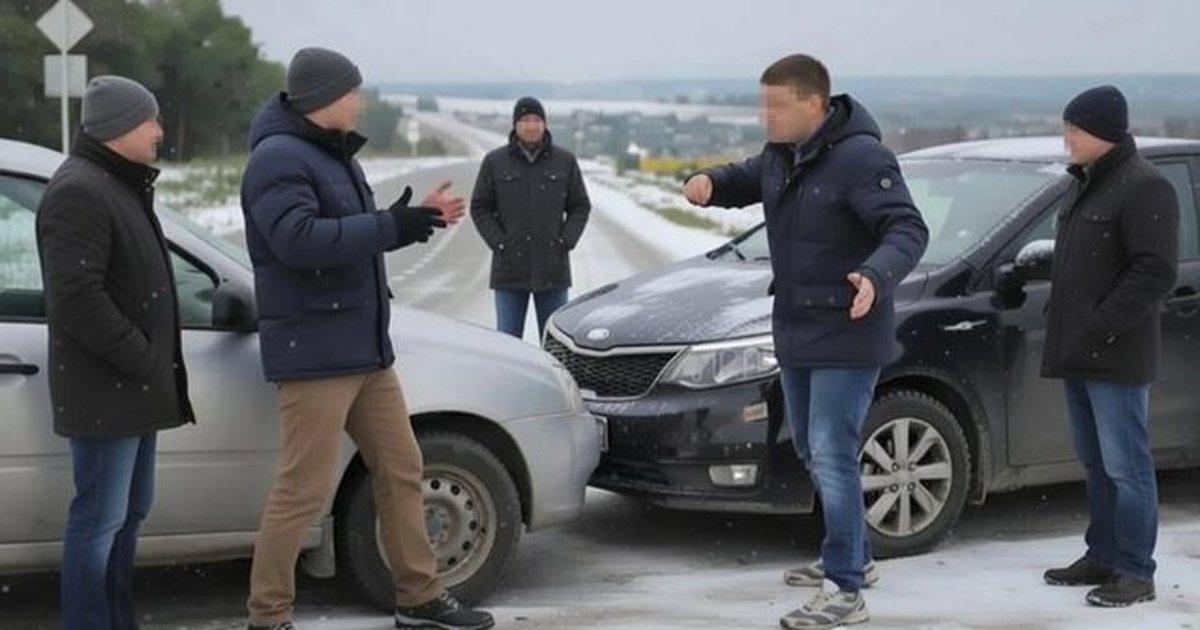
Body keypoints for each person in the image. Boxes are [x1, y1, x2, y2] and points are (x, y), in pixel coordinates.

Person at [240, 47, 493, 630]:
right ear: (325, 97)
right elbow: (299, 241)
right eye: (353, 91)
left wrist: (404, 224)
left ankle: (419, 597)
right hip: (316, 351)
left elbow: (346, 238)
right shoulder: (278, 159)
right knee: (302, 492)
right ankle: (268, 616)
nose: (361, 100)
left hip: (362, 347)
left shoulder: (330, 154)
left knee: (403, 468)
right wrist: (386, 226)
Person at [684, 54, 928, 629]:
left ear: (815, 105)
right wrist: (708, 182)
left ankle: (844, 589)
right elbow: (743, 178)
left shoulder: (862, 158)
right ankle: (856, 558)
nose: (766, 116)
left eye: (777, 105)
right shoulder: (782, 155)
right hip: (795, 327)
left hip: (848, 328)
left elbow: (907, 228)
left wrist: (876, 274)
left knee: (834, 455)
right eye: (762, 104)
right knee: (812, 452)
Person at [37, 75, 195, 630]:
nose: (158, 130)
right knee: (98, 522)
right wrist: (142, 357)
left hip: (131, 388)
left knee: (126, 517)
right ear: (118, 127)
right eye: (150, 119)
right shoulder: (80, 189)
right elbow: (77, 300)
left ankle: (116, 620)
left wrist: (149, 364)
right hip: (107, 390)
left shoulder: (116, 183)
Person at [1040, 85, 1179, 608]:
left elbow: (1155, 271)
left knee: (1127, 466)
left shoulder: (1144, 187)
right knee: (1095, 462)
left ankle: (1135, 571)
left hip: (1116, 353)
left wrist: (1100, 325)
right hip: (1079, 350)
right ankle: (1102, 553)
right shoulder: (1085, 183)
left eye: (1075, 128)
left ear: (1102, 131)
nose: (1068, 137)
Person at [470, 96, 591, 339]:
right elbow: (479, 207)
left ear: (544, 124)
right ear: (515, 125)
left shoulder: (564, 161)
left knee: (555, 342)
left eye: (536, 120)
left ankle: (552, 379)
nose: (531, 125)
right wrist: (500, 243)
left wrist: (565, 241)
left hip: (553, 271)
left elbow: (580, 206)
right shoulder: (495, 162)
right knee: (508, 342)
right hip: (509, 270)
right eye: (525, 120)